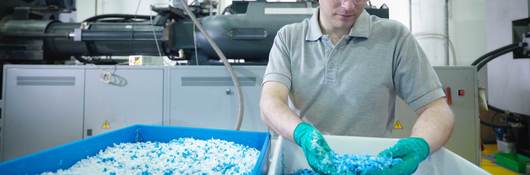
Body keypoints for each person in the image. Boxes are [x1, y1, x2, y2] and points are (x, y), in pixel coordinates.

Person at [259, 0, 455, 174]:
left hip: (372, 166)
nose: (349, 6)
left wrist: (419, 145)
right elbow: (270, 102)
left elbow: (437, 109)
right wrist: (303, 134)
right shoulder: (289, 38)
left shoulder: (395, 38)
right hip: (303, 161)